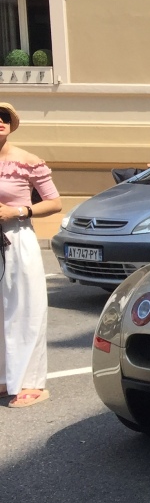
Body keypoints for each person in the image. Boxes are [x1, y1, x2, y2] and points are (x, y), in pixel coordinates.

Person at [0, 101, 62, 408]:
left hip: (17, 239)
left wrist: (19, 211)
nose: (0, 122)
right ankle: (3, 377)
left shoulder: (28, 162)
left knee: (25, 308)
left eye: (4, 117)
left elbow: (54, 202)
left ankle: (29, 382)